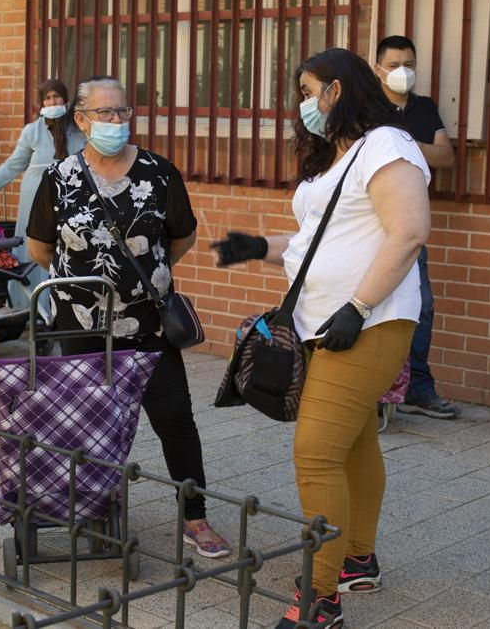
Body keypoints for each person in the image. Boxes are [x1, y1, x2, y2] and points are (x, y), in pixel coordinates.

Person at [212, 48, 431, 628]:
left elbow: (409, 231)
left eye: (310, 91)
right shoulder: (339, 155)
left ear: (338, 89)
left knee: (316, 451)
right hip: (319, 320)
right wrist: (259, 247)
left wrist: (359, 305)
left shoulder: (387, 144)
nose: (305, 103)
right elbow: (321, 239)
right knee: (354, 443)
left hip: (369, 320)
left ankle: (320, 598)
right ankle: (358, 558)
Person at [26, 76, 230, 560]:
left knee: (176, 419)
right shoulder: (60, 178)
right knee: (84, 424)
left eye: (122, 112)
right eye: (105, 113)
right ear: (81, 120)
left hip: (147, 325)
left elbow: (181, 237)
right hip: (79, 325)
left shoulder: (159, 174)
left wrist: (144, 280)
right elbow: (39, 247)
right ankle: (95, 509)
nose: (116, 122)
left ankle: (195, 517)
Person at [373, 35, 459, 421]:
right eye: (393, 65)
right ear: (378, 69)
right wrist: (414, 144)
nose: (401, 72)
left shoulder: (423, 108)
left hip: (410, 222)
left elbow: (445, 156)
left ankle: (418, 389)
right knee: (371, 305)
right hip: (370, 221)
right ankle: (373, 388)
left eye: (408, 63)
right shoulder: (367, 108)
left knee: (420, 306)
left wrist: (400, 141)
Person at [0, 78, 86, 310]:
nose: (53, 102)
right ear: (41, 102)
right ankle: (30, 308)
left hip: (69, 197)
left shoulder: (78, 128)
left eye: (57, 97)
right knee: (32, 249)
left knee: (68, 248)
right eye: (47, 98)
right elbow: (13, 166)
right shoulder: (32, 131)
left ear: (65, 98)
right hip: (34, 198)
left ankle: (62, 309)